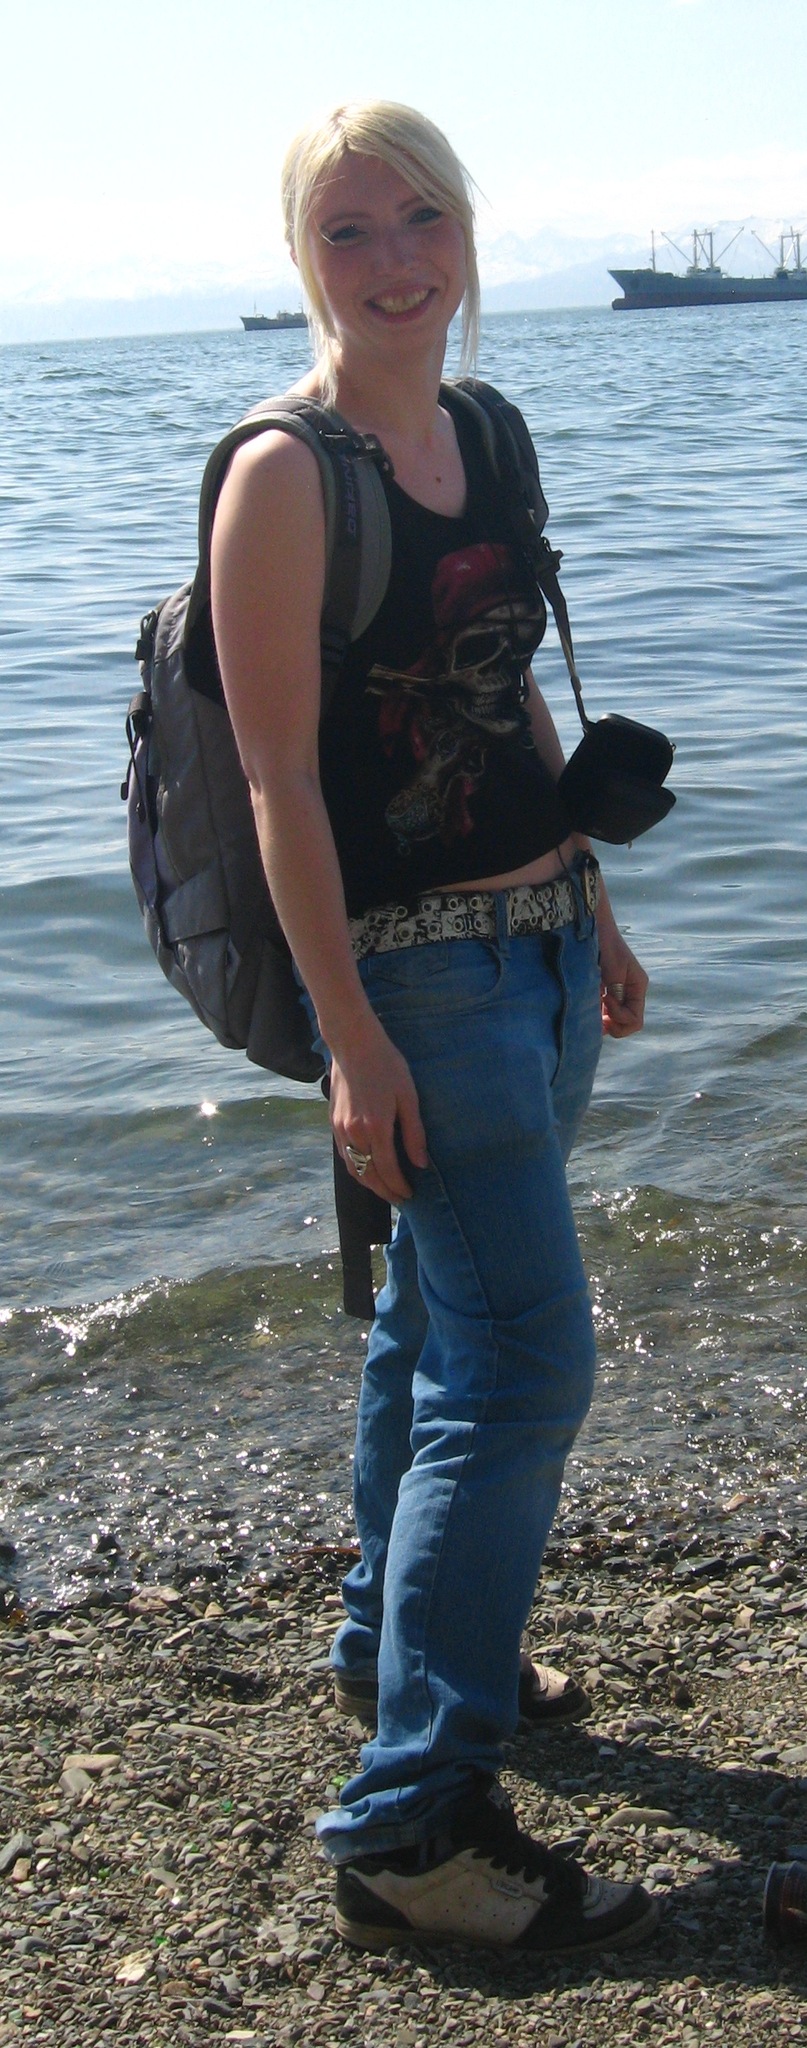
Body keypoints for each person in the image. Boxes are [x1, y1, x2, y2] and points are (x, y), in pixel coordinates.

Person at [210, 101, 656, 1955]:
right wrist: (352, 1041)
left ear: (466, 232)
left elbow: (507, 699)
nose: (394, 263)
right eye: (347, 231)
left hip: (537, 949)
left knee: (431, 1323)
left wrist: (593, 906)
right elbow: (280, 786)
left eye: (421, 221)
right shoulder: (284, 476)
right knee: (525, 1364)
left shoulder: (489, 431)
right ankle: (411, 1824)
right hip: (417, 981)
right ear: (299, 255)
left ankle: (384, 1649)